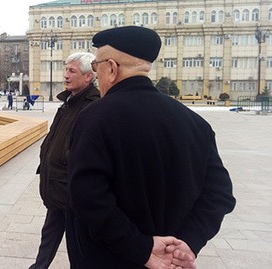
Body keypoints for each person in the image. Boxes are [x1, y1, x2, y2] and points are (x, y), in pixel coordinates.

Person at [65, 26, 236, 268]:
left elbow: (86, 198)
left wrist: (142, 249)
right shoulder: (195, 123)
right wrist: (189, 242)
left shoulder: (95, 118)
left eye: (96, 67)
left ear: (112, 68)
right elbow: (219, 194)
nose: (96, 75)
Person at [30, 52, 100, 269]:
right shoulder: (69, 102)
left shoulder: (93, 105)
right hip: (57, 187)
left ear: (88, 77)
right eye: (65, 70)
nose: (65, 75)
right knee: (48, 236)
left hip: (73, 191)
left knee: (78, 246)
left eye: (72, 71)